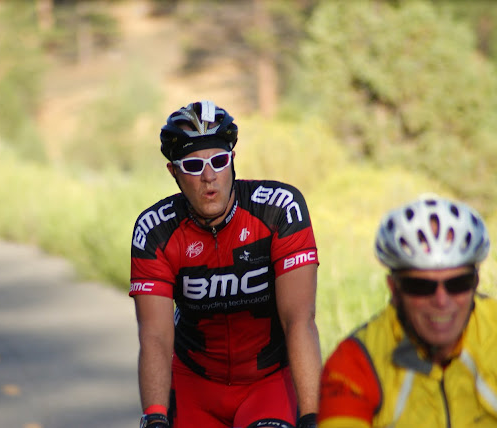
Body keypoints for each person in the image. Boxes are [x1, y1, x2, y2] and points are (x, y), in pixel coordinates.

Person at [129, 101, 322, 428]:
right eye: (193, 166)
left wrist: (312, 415)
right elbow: (156, 337)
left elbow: (299, 321)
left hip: (268, 383)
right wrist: (156, 417)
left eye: (219, 161)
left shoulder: (278, 210)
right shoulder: (155, 230)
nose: (209, 177)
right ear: (174, 172)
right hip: (193, 386)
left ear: (232, 160)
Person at [318, 195, 497, 427]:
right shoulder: (356, 362)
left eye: (458, 283)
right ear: (394, 289)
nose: (441, 300)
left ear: (476, 283)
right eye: (420, 286)